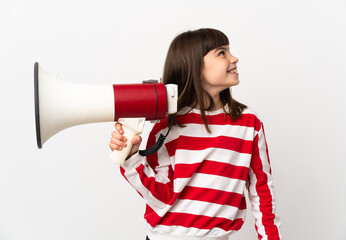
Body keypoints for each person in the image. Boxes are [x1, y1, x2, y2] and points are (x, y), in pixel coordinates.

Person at [109, 28, 281, 240]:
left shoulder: (248, 123)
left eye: (229, 51)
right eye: (222, 53)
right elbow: (161, 198)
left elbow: (262, 191)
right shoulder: (167, 127)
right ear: (195, 67)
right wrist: (130, 158)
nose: (234, 58)